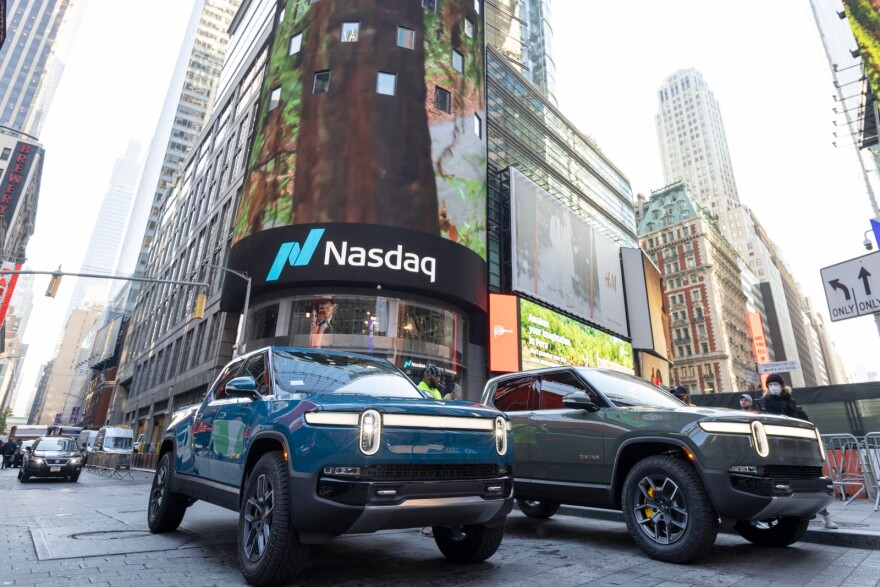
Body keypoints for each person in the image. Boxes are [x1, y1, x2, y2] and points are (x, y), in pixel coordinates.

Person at [757, 373, 838, 529]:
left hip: (796, 446)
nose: (773, 386)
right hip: (777, 447)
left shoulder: (790, 401)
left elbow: (802, 419)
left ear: (781, 385)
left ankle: (825, 516)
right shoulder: (764, 402)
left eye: (776, 383)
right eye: (771, 384)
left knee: (811, 480)